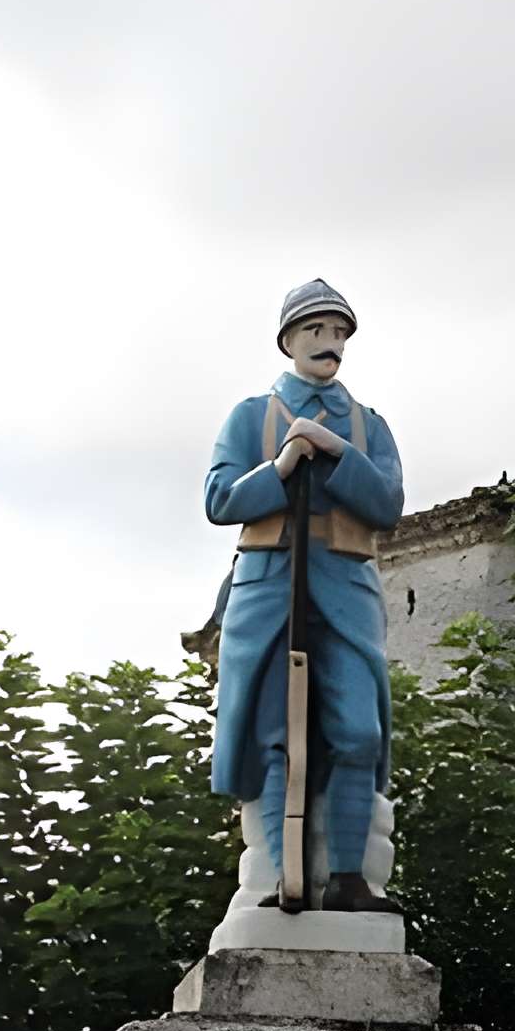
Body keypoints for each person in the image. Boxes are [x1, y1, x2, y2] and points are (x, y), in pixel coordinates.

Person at [204, 280, 405, 911]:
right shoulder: (252, 416)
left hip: (344, 587)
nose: (330, 345)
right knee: (271, 732)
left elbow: (387, 505)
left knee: (358, 732)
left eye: (339, 333)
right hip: (269, 587)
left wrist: (335, 449)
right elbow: (220, 500)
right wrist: (285, 464)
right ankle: (279, 877)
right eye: (317, 332)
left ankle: (348, 880)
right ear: (289, 340)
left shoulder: (368, 426)